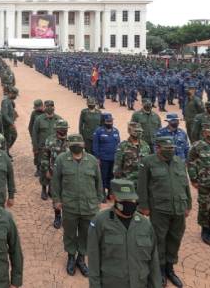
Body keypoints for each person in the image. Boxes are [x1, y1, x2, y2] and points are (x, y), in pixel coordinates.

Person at [137, 136, 192, 287]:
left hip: (179, 207)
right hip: (159, 208)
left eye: (172, 148)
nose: (170, 151)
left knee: (175, 237)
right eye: (167, 149)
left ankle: (170, 268)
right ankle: (159, 269)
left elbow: (185, 184)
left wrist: (188, 204)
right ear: (158, 148)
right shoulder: (148, 162)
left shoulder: (179, 162)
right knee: (159, 239)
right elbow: (142, 185)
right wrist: (144, 205)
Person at [87, 179, 161, 288]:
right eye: (123, 199)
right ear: (113, 198)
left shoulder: (145, 224)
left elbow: (153, 261)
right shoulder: (99, 222)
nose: (129, 203)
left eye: (131, 199)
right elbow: (93, 261)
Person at [50, 134, 101, 276]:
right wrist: (57, 200)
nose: (77, 146)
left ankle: (81, 258)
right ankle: (71, 257)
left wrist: (98, 201)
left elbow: (98, 182)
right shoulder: (61, 160)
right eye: (74, 144)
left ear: (84, 144)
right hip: (70, 205)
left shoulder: (91, 161)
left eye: (79, 143)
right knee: (70, 233)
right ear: (69, 145)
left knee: (86, 233)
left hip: (89, 206)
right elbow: (56, 182)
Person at [92, 113, 120, 201]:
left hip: (113, 158)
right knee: (103, 176)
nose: (110, 123)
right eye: (108, 121)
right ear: (104, 122)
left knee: (112, 176)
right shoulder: (98, 131)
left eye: (111, 121)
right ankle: (102, 193)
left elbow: (118, 144)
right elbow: (95, 145)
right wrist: (97, 158)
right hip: (103, 159)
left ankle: (110, 193)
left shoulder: (116, 131)